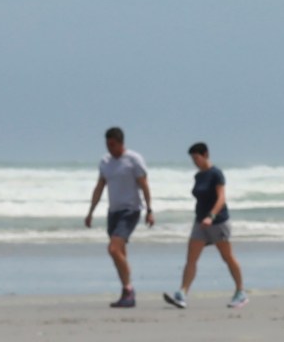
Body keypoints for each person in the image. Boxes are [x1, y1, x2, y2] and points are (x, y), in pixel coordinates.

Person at [162, 142, 246, 309]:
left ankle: (240, 292)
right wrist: (203, 218)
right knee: (191, 259)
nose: (195, 161)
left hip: (218, 222)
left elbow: (221, 198)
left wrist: (211, 215)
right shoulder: (198, 176)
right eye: (192, 159)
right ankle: (182, 293)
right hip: (200, 223)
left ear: (205, 155)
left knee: (227, 257)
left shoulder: (216, 173)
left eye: (196, 158)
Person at [82, 127, 152, 308]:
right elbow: (99, 187)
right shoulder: (105, 162)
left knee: (113, 249)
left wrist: (150, 210)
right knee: (119, 253)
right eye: (107, 144)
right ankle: (126, 293)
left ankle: (129, 289)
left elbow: (144, 185)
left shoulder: (134, 160)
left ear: (121, 143)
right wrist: (90, 212)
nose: (110, 148)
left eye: (112, 145)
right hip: (113, 212)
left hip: (130, 211)